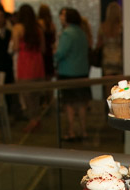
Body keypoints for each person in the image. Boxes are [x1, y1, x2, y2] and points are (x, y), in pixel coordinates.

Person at [54, 7, 91, 141]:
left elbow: (61, 52)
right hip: (82, 71)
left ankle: (71, 131)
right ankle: (84, 130)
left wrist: (54, 58)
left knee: (69, 104)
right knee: (81, 103)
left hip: (68, 72)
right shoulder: (82, 32)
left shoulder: (67, 33)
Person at [12, 4, 46, 133]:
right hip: (37, 63)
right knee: (36, 95)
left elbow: (15, 47)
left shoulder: (18, 28)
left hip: (25, 63)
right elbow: (43, 49)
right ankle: (36, 119)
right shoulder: (38, 29)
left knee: (27, 94)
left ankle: (33, 120)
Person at [96, 2, 123, 77]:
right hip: (119, 57)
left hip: (107, 57)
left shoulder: (103, 27)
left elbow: (99, 44)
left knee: (108, 82)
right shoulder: (120, 27)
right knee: (121, 84)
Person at [38, 5, 57, 80]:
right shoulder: (52, 25)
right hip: (49, 52)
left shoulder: (39, 24)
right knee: (49, 78)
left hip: (42, 52)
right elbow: (54, 40)